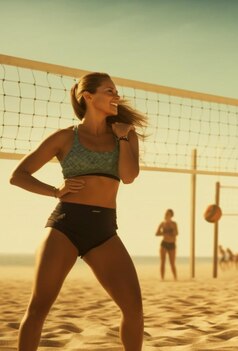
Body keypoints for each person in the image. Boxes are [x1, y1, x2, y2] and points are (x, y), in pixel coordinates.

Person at [9, 72, 146, 350]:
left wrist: (121, 139)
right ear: (88, 96)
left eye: (116, 91)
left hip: (104, 230)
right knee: (38, 309)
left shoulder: (125, 134)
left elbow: (129, 176)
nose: (116, 96)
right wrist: (54, 191)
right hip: (65, 225)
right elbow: (18, 175)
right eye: (109, 91)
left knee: (134, 310)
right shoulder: (64, 137)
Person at [155, 208, 178, 280]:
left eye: (168, 214)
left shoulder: (174, 224)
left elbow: (176, 233)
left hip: (172, 244)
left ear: (171, 215)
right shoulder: (162, 223)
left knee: (172, 263)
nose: (166, 215)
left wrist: (171, 229)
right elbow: (157, 233)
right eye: (165, 213)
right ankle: (162, 278)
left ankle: (175, 278)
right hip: (164, 243)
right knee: (162, 261)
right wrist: (164, 233)